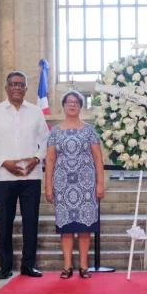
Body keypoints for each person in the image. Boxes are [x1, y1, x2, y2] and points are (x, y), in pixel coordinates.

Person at [0, 71, 49, 279]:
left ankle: (28, 265)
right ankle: (5, 266)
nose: (17, 87)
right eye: (13, 84)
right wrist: (4, 163)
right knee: (5, 222)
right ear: (6, 88)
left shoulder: (36, 112)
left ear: (26, 89)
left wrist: (36, 159)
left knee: (31, 222)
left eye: (21, 84)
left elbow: (46, 140)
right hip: (4, 177)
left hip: (31, 176)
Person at [45, 91, 105, 279]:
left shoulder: (90, 130)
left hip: (86, 185)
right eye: (69, 102)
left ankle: (84, 267)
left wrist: (100, 184)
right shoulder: (55, 132)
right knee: (67, 228)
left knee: (85, 227)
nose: (72, 105)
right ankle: (67, 266)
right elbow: (50, 160)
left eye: (76, 102)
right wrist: (48, 186)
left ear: (80, 106)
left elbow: (98, 158)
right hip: (63, 185)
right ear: (63, 106)